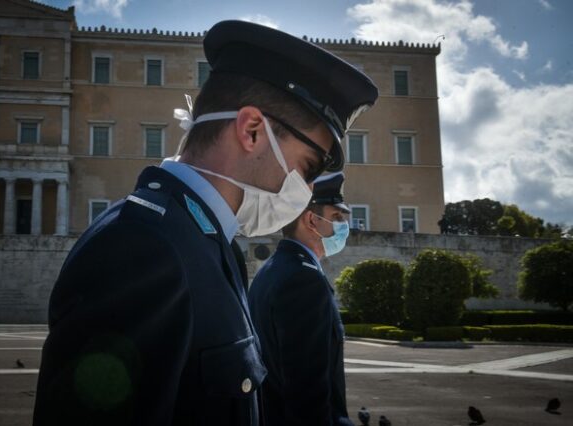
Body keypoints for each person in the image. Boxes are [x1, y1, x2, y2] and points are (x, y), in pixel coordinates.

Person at [33, 20, 377, 426]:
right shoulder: (142, 249)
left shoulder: (207, 242)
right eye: (306, 168)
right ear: (251, 131)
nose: (305, 189)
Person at [248, 172, 354, 426]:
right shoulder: (304, 280)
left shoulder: (272, 270)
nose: (344, 226)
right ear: (311, 220)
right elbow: (308, 392)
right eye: (337, 217)